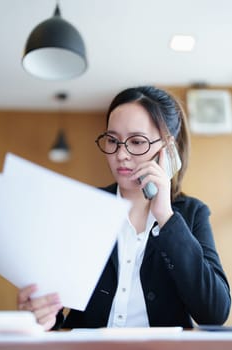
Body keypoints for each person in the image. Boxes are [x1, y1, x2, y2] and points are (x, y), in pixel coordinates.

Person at [17, 85, 231, 331]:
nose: (121, 154)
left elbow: (214, 313)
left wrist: (165, 216)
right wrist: (42, 316)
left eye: (137, 141)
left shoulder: (191, 213)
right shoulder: (84, 207)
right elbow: (55, 311)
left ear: (167, 148)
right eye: (112, 140)